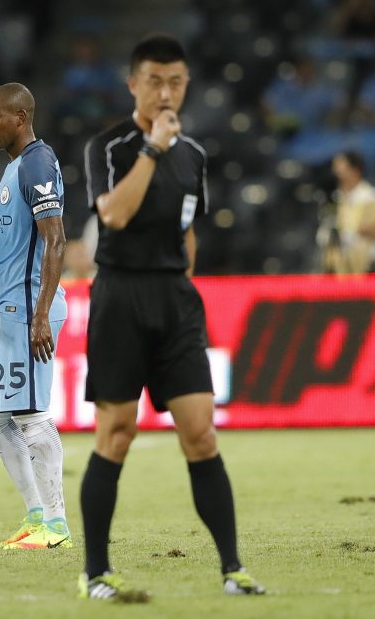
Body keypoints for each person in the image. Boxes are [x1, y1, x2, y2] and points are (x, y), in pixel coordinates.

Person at [79, 35, 265, 601]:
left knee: (202, 434)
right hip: (120, 298)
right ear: (133, 83)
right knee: (116, 434)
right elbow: (113, 215)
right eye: (155, 81)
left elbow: (187, 229)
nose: (166, 92)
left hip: (175, 300)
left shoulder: (196, 156)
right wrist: (153, 150)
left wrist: (181, 277)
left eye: (176, 82)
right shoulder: (108, 147)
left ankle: (233, 569)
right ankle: (96, 574)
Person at [0, 83, 71, 550]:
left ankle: (57, 526)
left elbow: (56, 239)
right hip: (7, 307)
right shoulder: (15, 168)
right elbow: (22, 236)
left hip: (28, 311)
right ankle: (34, 515)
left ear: (21, 116)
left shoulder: (37, 163)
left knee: (30, 415)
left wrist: (41, 313)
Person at [319, 150, 375, 274]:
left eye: (341, 168)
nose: (337, 172)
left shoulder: (371, 197)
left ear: (356, 170)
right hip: (337, 264)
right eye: (335, 168)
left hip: (365, 264)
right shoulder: (333, 198)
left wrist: (362, 229)